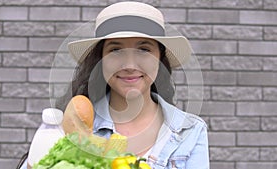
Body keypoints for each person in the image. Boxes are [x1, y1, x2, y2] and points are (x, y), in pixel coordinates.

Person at [17, 1, 209, 169]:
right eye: (115, 50)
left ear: (160, 58)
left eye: (144, 49)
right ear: (100, 59)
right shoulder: (66, 127)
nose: (129, 65)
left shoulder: (190, 131)